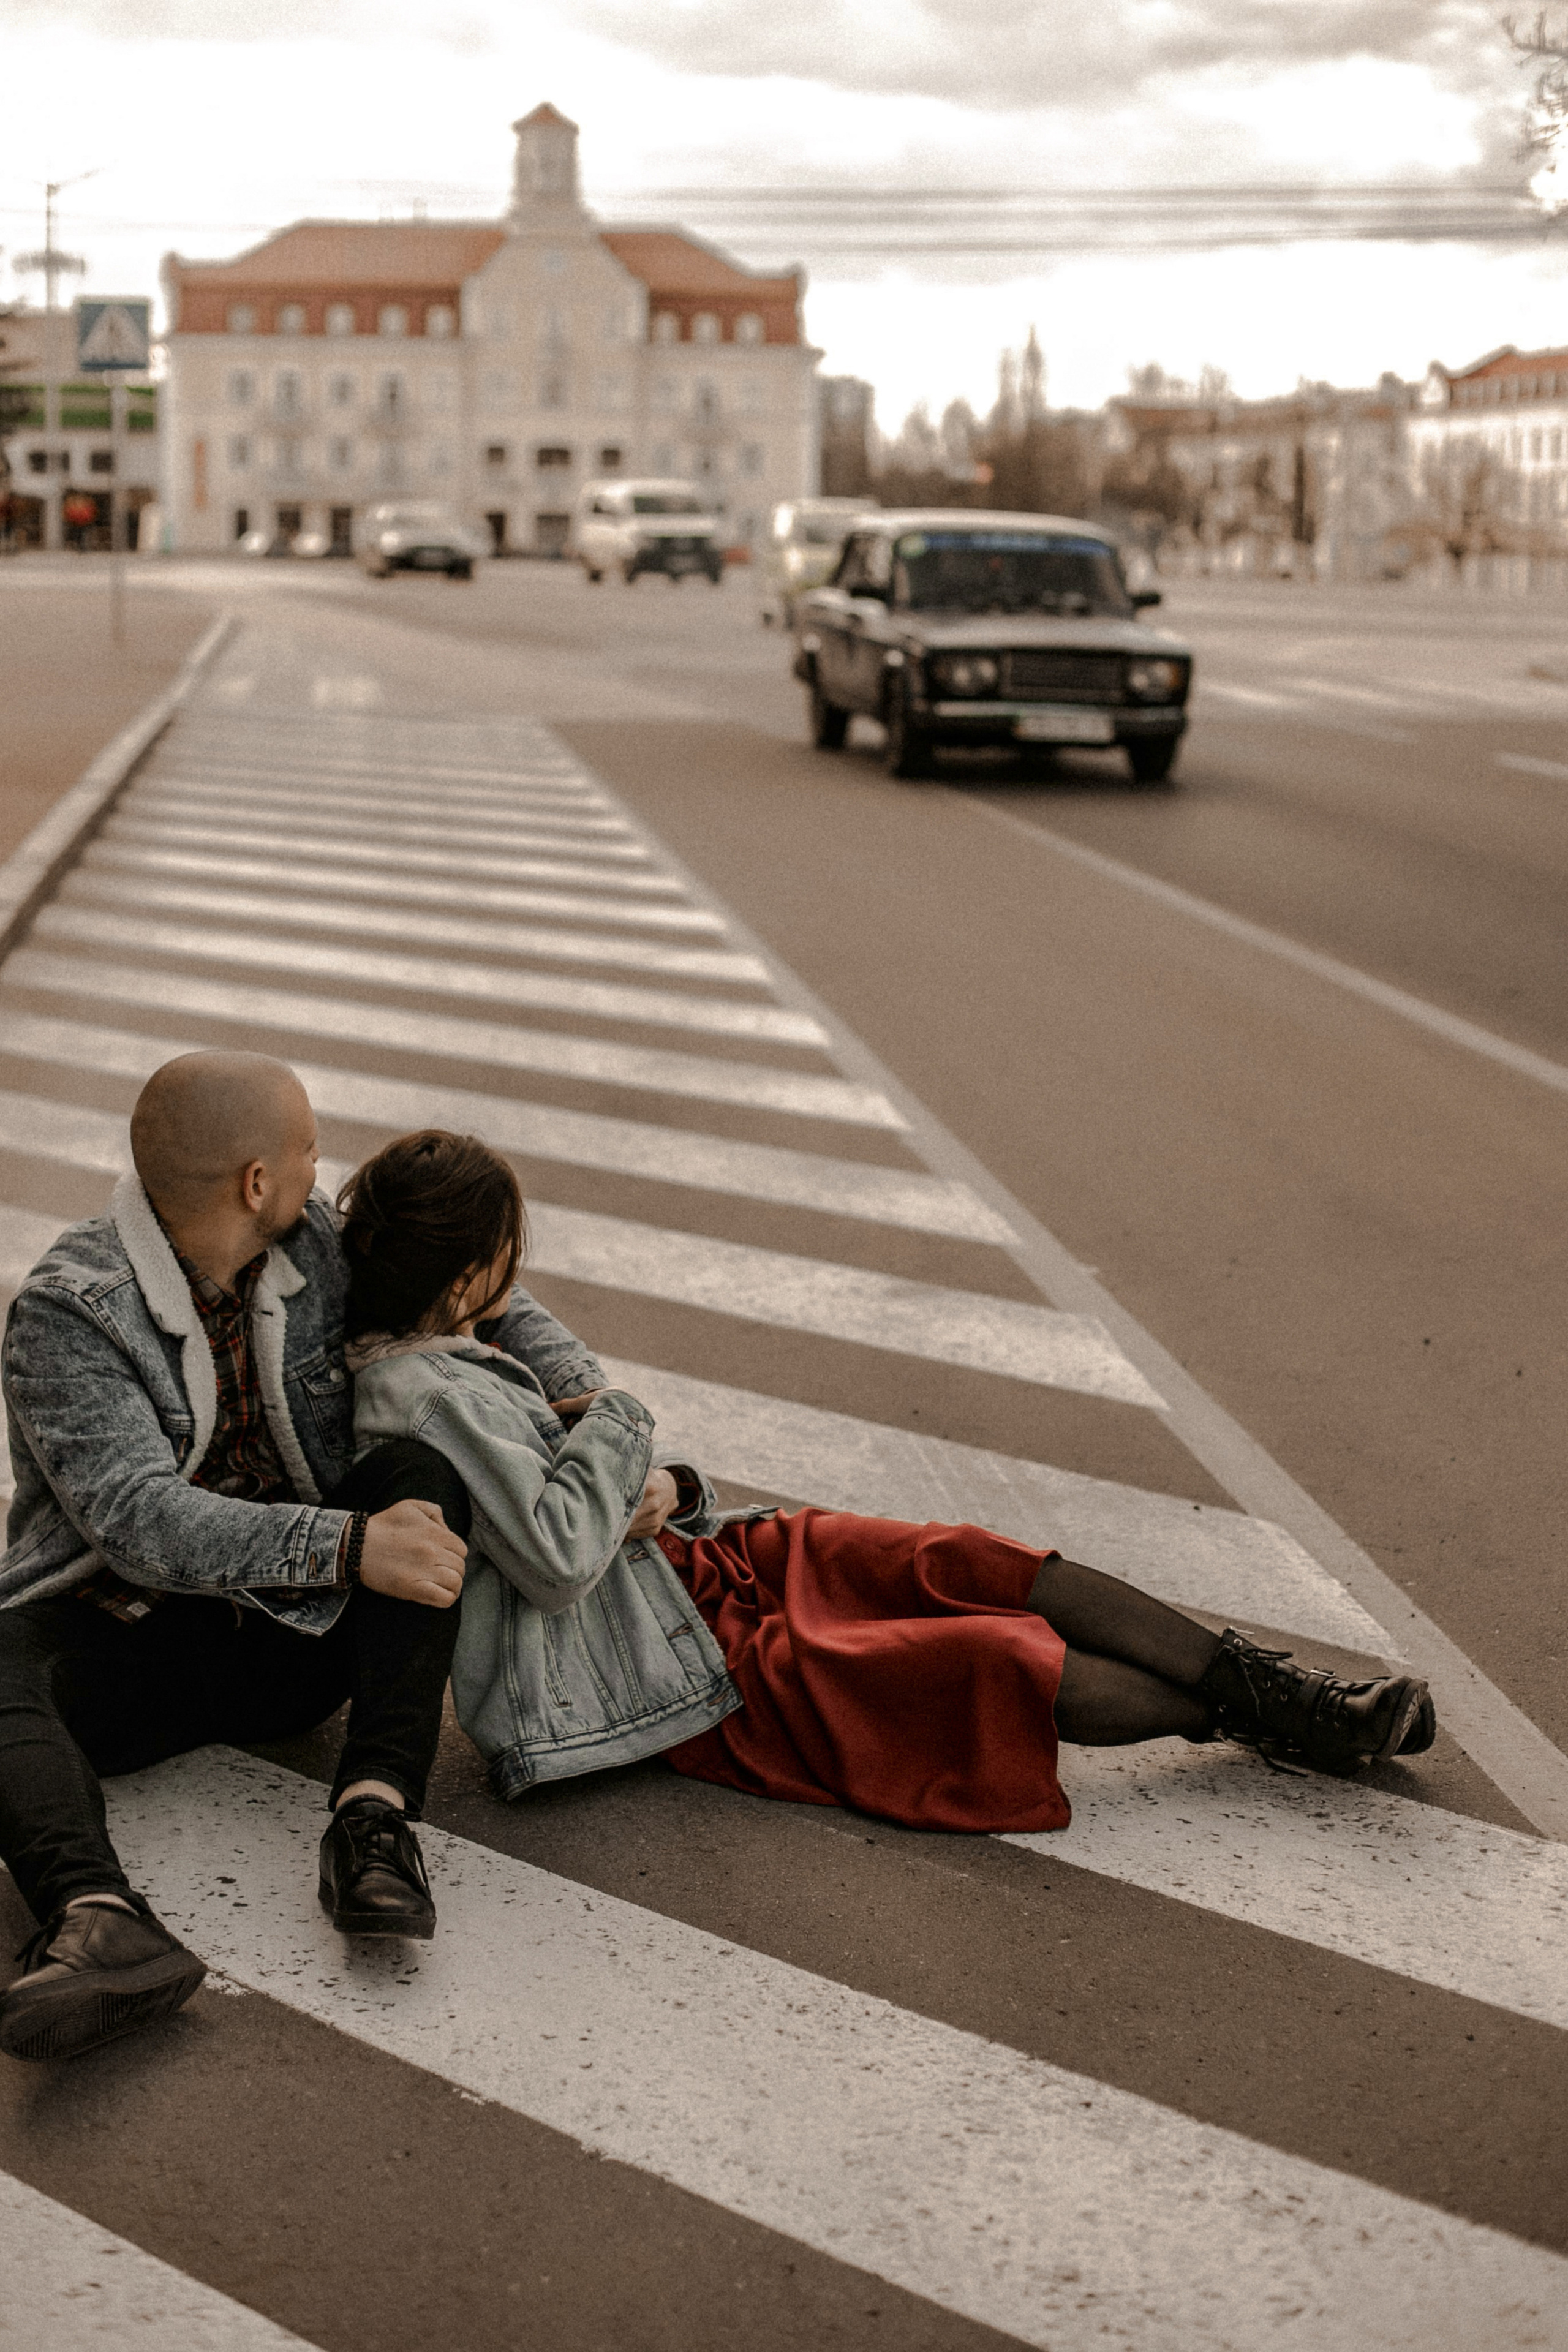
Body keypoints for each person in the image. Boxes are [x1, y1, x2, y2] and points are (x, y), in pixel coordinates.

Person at [340, 1131, 1436, 1834]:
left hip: (698, 1568)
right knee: (987, 1662)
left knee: (966, 1561)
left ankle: (1282, 1694)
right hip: (655, 1661)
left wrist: (668, 1485)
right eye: (510, 1249)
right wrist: (620, 1418)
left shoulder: (466, 1338)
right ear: (471, 1274)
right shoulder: (423, 1397)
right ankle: (1272, 1718)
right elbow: (558, 1559)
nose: (521, 1267)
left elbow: (591, 1487)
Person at [0, 1056, 603, 2064]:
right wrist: (349, 1546)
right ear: (256, 1182)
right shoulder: (71, 1311)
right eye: (310, 1151)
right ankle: (97, 1917)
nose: (322, 1174)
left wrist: (591, 1409)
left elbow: (483, 1292)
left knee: (418, 1474)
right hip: (126, 1642)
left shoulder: (317, 1245)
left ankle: (374, 1824)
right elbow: (139, 1521)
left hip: (294, 1638)